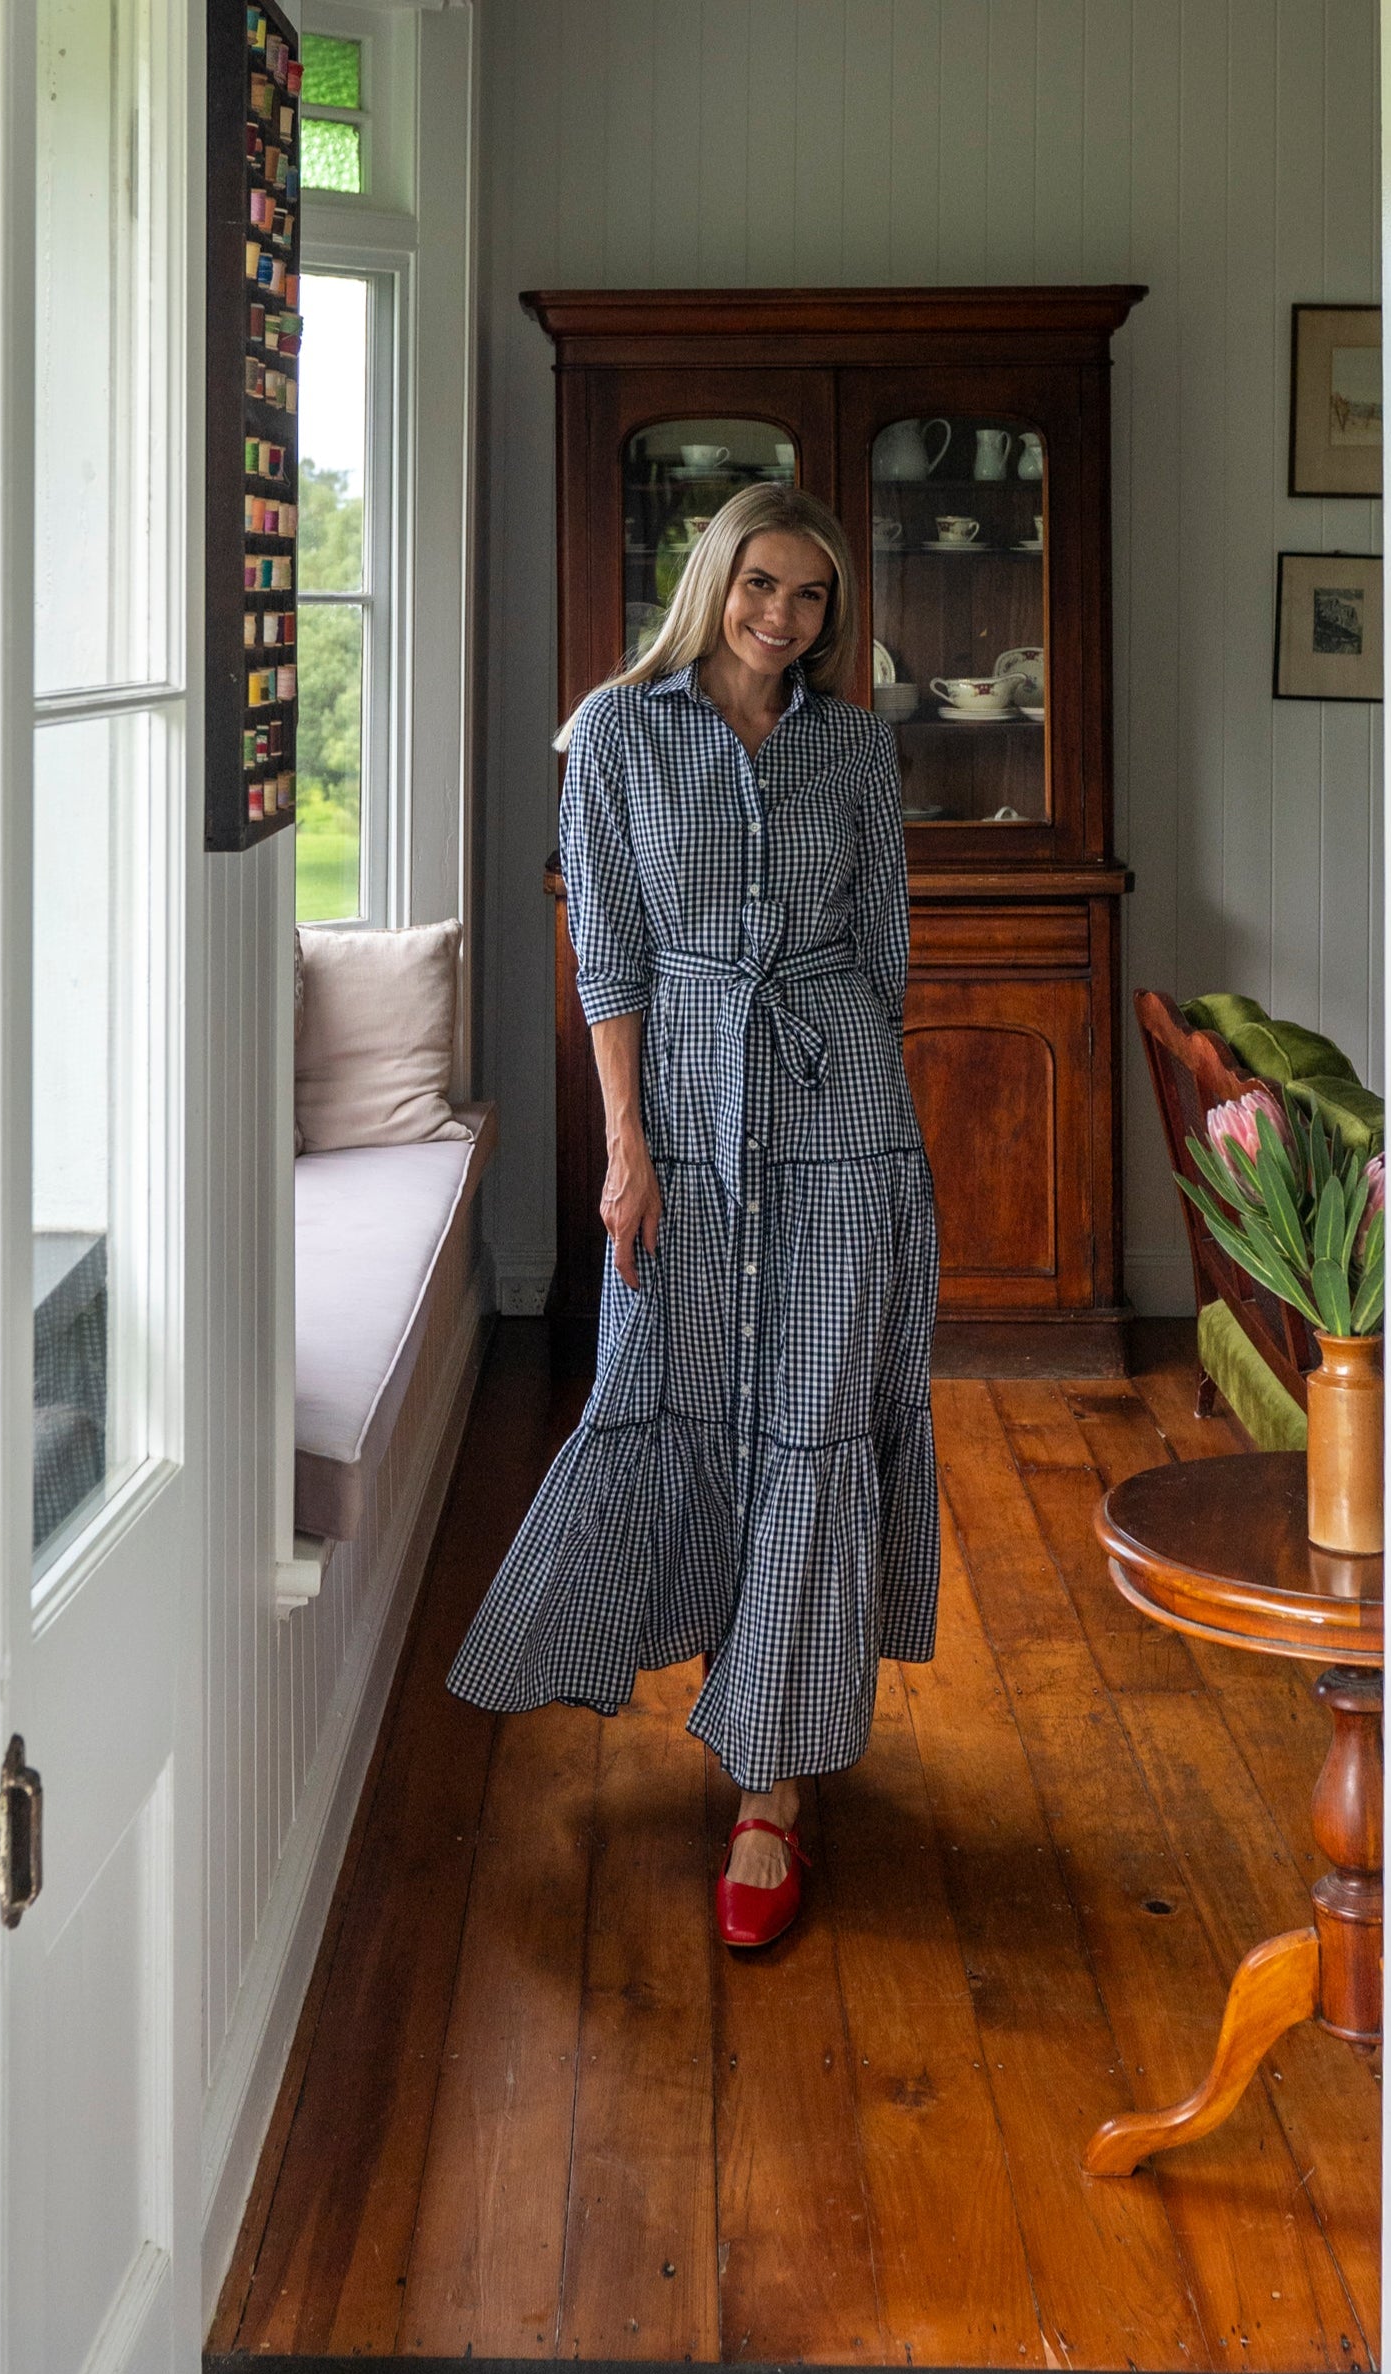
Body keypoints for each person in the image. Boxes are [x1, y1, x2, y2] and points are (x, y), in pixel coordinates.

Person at [449, 481, 940, 1948]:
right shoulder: (614, 732)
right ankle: (701, 1668)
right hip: (681, 1118)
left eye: (810, 600)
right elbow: (608, 951)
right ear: (712, 577)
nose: (781, 619)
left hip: (843, 1112)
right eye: (761, 586)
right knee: (671, 1391)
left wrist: (852, 1111)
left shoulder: (855, 749)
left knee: (812, 1419)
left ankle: (770, 1784)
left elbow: (885, 948)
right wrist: (628, 1147)